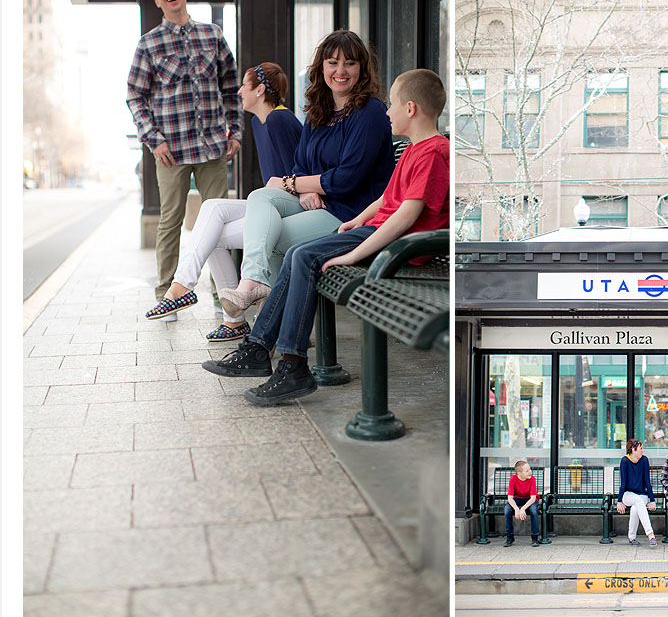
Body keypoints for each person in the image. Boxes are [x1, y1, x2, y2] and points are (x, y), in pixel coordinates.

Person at [200, 68, 448, 405]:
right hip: (373, 232)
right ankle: (259, 350)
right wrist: (356, 221)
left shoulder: (433, 152)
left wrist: (353, 253)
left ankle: (289, 364)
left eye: (391, 105)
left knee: (303, 256)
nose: (386, 112)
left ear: (410, 109)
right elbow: (386, 199)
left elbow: (406, 216)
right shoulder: (415, 149)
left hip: (396, 247)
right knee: (298, 254)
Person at [217, 29, 395, 317]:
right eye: (332, 62)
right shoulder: (319, 110)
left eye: (350, 63)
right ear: (321, 66)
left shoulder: (370, 112)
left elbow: (348, 178)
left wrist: (296, 183)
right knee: (260, 197)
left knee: (271, 237)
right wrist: (305, 187)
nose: (340, 71)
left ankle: (274, 324)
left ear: (361, 68)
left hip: (350, 212)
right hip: (320, 199)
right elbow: (301, 161)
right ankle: (253, 283)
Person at [143, 63, 302, 341]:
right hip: (270, 203)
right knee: (211, 208)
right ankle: (191, 292)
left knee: (214, 231)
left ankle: (213, 308)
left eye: (244, 85)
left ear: (260, 89)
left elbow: (300, 170)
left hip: (291, 209)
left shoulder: (280, 120)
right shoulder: (259, 122)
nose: (239, 91)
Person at [127, 0, 242, 313]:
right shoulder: (149, 44)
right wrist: (153, 139)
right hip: (171, 151)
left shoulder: (213, 35)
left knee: (220, 222)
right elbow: (135, 95)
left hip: (212, 149)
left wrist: (235, 131)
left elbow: (231, 88)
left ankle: (225, 294)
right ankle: (167, 293)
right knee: (170, 220)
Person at [616, 439, 658, 546]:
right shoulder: (625, 461)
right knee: (637, 501)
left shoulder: (644, 460)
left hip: (641, 495)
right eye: (640, 449)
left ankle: (632, 537)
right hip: (628, 495)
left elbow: (647, 481)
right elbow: (623, 482)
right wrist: (619, 501)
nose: (643, 451)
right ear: (633, 450)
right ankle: (650, 534)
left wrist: (652, 500)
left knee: (636, 507)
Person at [503, 461, 540, 548]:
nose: (530, 472)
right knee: (507, 510)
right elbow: (510, 498)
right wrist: (516, 509)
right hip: (517, 499)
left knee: (533, 510)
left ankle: (535, 537)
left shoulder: (532, 479)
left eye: (529, 469)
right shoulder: (513, 479)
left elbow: (533, 498)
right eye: (527, 471)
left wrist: (522, 509)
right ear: (519, 473)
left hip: (529, 499)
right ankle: (510, 537)